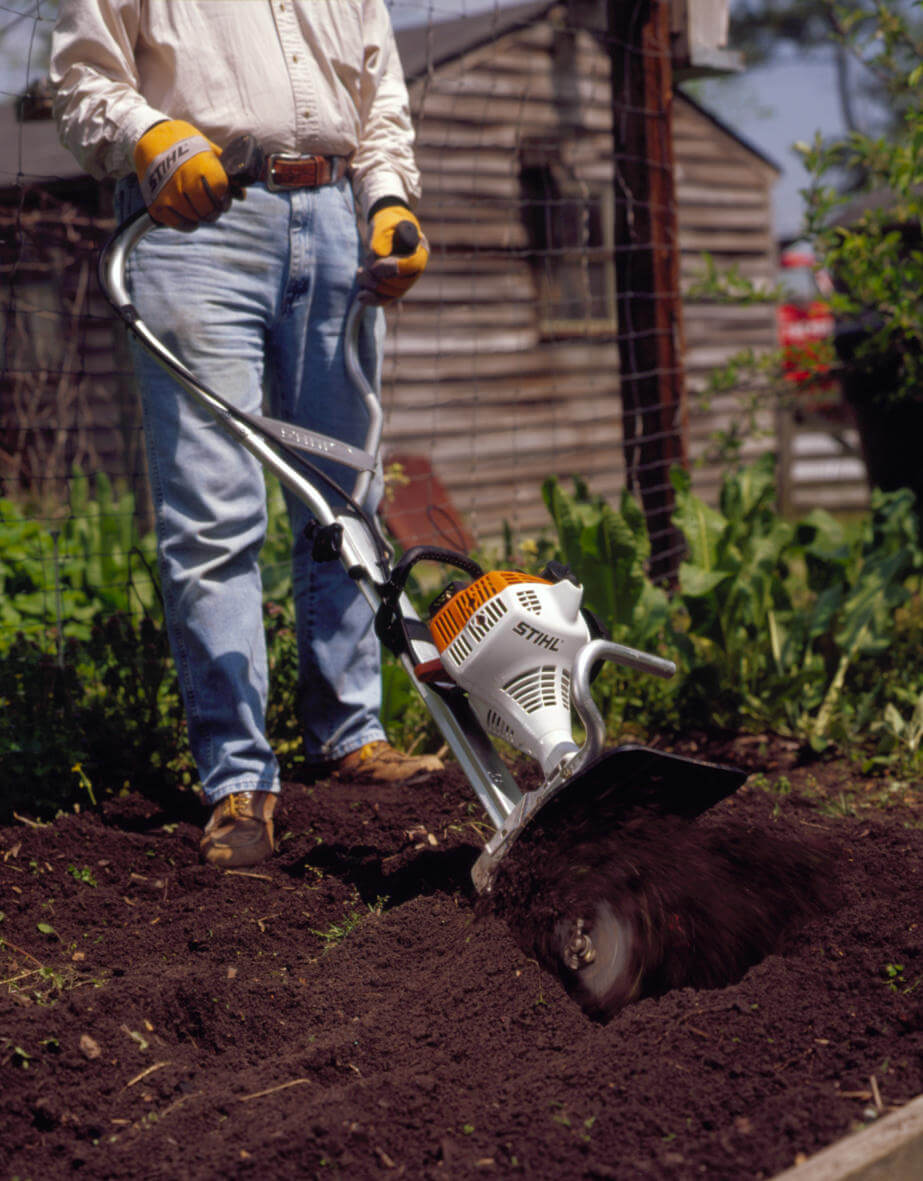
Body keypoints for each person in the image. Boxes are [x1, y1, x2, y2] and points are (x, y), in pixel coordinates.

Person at [50, 0, 443, 869]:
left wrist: (385, 197)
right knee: (214, 512)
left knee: (344, 497)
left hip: (338, 222)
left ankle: (350, 735)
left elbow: (378, 96)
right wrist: (150, 136)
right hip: (196, 225)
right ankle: (237, 775)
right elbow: (80, 77)